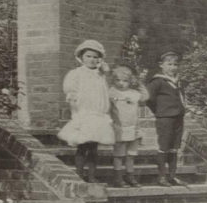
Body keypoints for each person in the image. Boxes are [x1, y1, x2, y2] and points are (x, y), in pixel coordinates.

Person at [57, 39, 115, 182]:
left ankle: (92, 175)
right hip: (83, 113)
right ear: (82, 57)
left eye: (95, 57)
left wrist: (105, 72)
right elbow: (72, 95)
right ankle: (79, 173)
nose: (92, 59)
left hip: (97, 115)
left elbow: (104, 95)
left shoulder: (100, 76)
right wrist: (76, 114)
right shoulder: (76, 74)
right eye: (88, 56)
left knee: (94, 147)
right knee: (83, 145)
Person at [146, 51, 188, 187]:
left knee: (174, 148)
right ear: (161, 65)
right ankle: (161, 177)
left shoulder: (178, 81)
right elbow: (148, 98)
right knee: (164, 147)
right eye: (169, 64)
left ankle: (172, 176)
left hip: (178, 117)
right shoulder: (157, 81)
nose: (173, 67)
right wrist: (160, 111)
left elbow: (182, 97)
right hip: (165, 118)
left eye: (175, 64)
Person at [109, 66, 149, 187]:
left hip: (134, 128)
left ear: (130, 81)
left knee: (131, 154)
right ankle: (118, 178)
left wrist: (140, 83)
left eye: (125, 81)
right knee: (119, 155)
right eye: (118, 80)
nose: (121, 83)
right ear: (113, 80)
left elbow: (145, 97)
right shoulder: (111, 92)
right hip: (119, 128)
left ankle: (130, 176)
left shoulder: (134, 93)